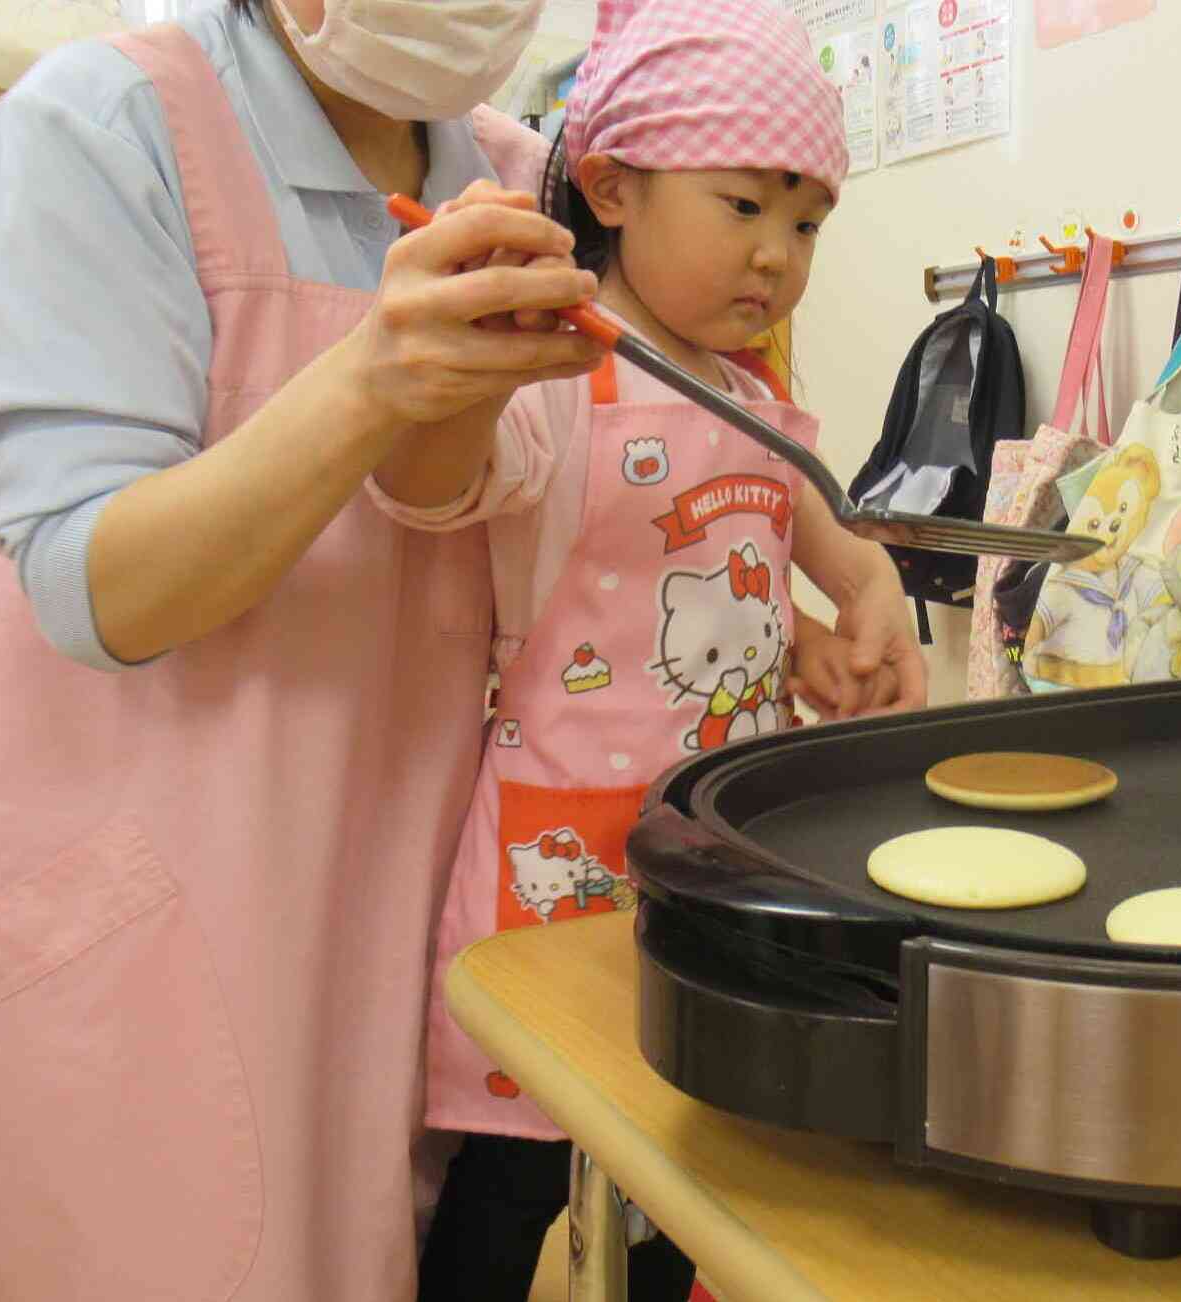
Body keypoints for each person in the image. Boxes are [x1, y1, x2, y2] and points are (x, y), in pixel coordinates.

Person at [0, 0, 607, 1297]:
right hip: (157, 900)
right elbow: (91, 583)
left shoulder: (506, 175)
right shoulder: (102, 128)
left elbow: (462, 502)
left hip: (391, 883)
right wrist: (367, 380)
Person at [408, 2, 928, 1297]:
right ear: (609, 187)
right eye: (741, 206)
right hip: (557, 857)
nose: (777, 258)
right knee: (516, 1164)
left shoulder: (747, 393)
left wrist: (855, 601)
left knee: (678, 1155)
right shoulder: (546, 371)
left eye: (805, 222)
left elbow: (807, 527)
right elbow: (454, 496)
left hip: (712, 851)